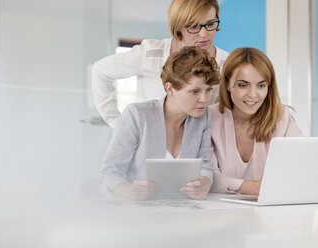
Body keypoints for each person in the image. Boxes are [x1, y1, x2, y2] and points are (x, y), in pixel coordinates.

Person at [99, 46, 220, 200]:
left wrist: (204, 182)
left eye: (208, 90)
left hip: (182, 212)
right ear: (170, 89)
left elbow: (206, 166)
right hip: (137, 214)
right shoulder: (137, 115)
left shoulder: (204, 117)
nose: (205, 99)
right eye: (195, 91)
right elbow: (109, 173)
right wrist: (128, 191)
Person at [92, 0, 228, 128]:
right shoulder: (151, 53)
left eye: (210, 24)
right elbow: (101, 71)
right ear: (178, 25)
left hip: (198, 148)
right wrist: (118, 124)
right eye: (194, 26)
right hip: (150, 145)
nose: (204, 34)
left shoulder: (226, 63)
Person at [210, 47, 303, 195]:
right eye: (243, 85)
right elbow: (208, 178)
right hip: (219, 212)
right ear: (227, 84)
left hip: (271, 211)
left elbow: (302, 168)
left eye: (261, 85)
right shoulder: (209, 118)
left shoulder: (282, 118)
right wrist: (255, 188)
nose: (253, 95)